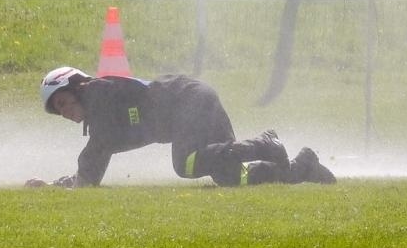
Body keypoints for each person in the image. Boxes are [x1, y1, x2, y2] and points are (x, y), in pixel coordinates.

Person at [26, 67, 336, 189]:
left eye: (64, 102)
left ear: (78, 87)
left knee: (185, 164)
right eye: (58, 111)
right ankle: (302, 167)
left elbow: (97, 150)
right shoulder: (98, 108)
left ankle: (264, 143)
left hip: (189, 101)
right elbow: (98, 154)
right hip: (195, 102)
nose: (65, 113)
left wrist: (66, 185)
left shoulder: (96, 93)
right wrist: (68, 182)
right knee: (230, 175)